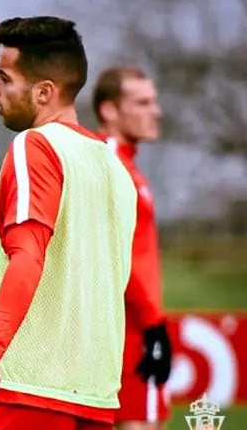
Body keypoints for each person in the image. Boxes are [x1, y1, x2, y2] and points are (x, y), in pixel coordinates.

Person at [0, 17, 138, 430]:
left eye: (4, 77)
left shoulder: (35, 146)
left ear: (43, 92)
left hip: (22, 390)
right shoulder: (115, 167)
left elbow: (28, 254)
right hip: (94, 399)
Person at [92, 66, 172, 430]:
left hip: (132, 329)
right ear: (109, 110)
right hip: (128, 332)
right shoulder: (110, 166)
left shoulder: (125, 165)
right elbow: (118, 257)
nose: (155, 111)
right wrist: (154, 326)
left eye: (153, 101)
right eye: (142, 102)